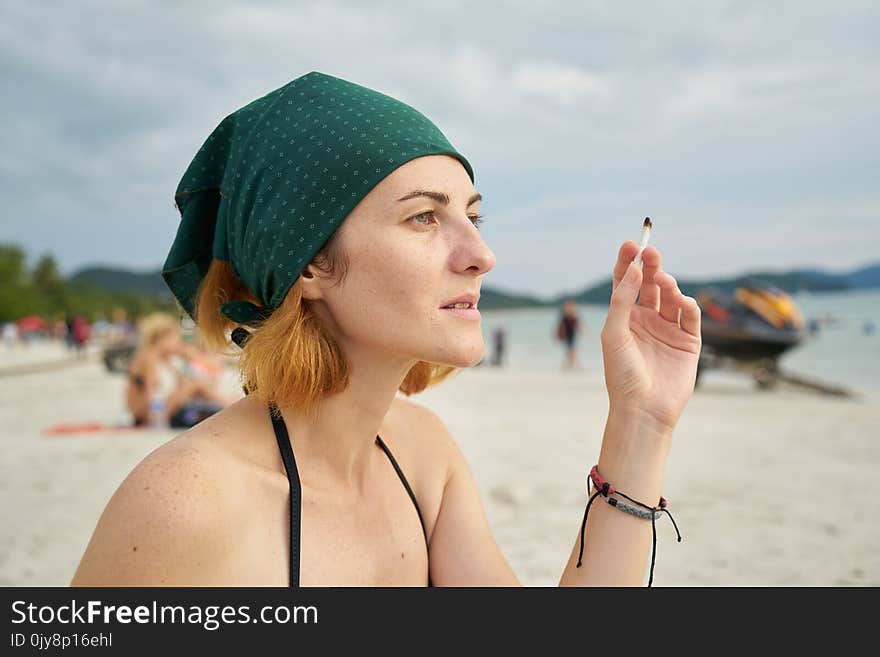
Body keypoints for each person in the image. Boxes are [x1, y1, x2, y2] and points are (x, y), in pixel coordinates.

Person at [71, 71, 701, 587]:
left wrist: (640, 423)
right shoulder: (186, 502)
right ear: (310, 260)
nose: (481, 253)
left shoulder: (423, 459)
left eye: (474, 215)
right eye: (425, 217)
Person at [125, 312, 237, 429]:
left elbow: (202, 368)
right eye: (175, 338)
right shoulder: (150, 357)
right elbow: (151, 393)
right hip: (148, 414)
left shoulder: (163, 358)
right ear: (163, 339)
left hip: (159, 410)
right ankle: (229, 404)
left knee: (195, 385)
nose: (178, 342)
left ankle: (228, 403)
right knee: (195, 384)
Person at [556, 298, 582, 370]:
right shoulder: (565, 315)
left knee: (571, 350)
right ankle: (571, 365)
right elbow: (561, 326)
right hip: (567, 334)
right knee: (570, 350)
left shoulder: (572, 315)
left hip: (571, 333)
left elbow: (577, 323)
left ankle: (571, 365)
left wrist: (580, 329)